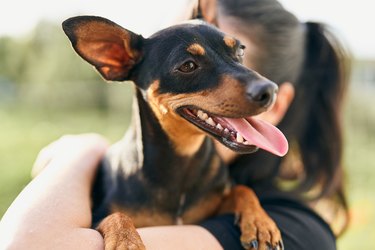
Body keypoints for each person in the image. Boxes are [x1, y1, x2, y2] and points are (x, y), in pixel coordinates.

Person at [0, 0, 350, 249]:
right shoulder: (111, 180)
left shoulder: (298, 232)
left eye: (236, 54)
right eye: (188, 65)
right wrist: (114, 223)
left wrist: (79, 150)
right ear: (115, 60)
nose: (255, 84)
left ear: (280, 104)